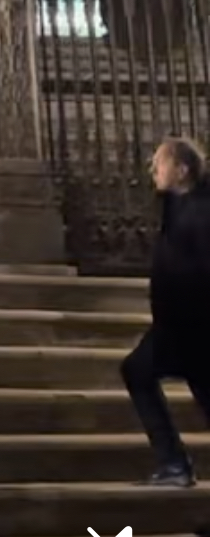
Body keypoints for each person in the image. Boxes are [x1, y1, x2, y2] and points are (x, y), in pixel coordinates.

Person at [121, 135, 210, 486]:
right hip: (180, 325)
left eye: (160, 162)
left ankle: (174, 464)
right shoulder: (178, 208)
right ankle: (174, 464)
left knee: (136, 371)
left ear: (182, 170)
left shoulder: (201, 212)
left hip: (191, 325)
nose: (153, 169)